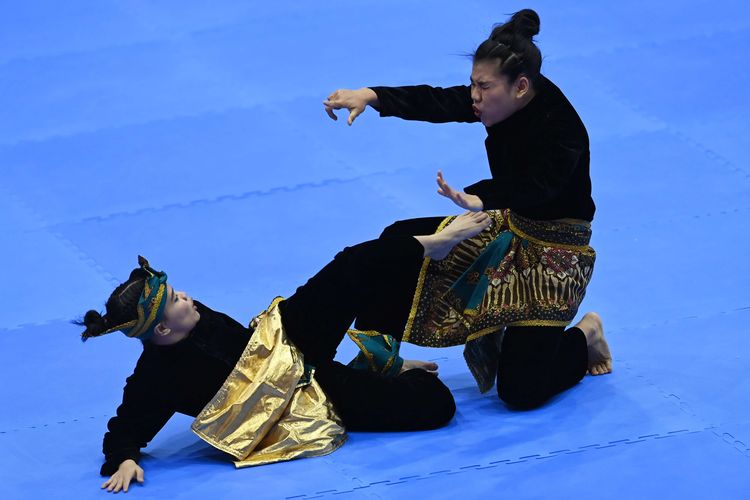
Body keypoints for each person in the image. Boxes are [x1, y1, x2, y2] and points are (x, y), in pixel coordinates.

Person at [79, 212, 496, 494]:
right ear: (163, 329)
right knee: (435, 405)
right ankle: (382, 370)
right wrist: (125, 459)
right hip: (291, 401)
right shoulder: (156, 377)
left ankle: (435, 243)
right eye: (175, 299)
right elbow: (127, 424)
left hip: (280, 343)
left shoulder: (192, 313)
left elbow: (255, 343)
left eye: (177, 291)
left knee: (351, 266)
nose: (186, 296)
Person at [323, 9, 611, 400]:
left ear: (521, 86)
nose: (473, 96)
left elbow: (542, 186)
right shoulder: (497, 99)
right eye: (472, 84)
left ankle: (585, 334)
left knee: (521, 392)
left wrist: (483, 197)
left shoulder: (562, 130)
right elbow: (440, 102)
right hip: (509, 222)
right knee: (399, 240)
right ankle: (381, 359)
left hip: (557, 248)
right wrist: (372, 97)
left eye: (483, 86)